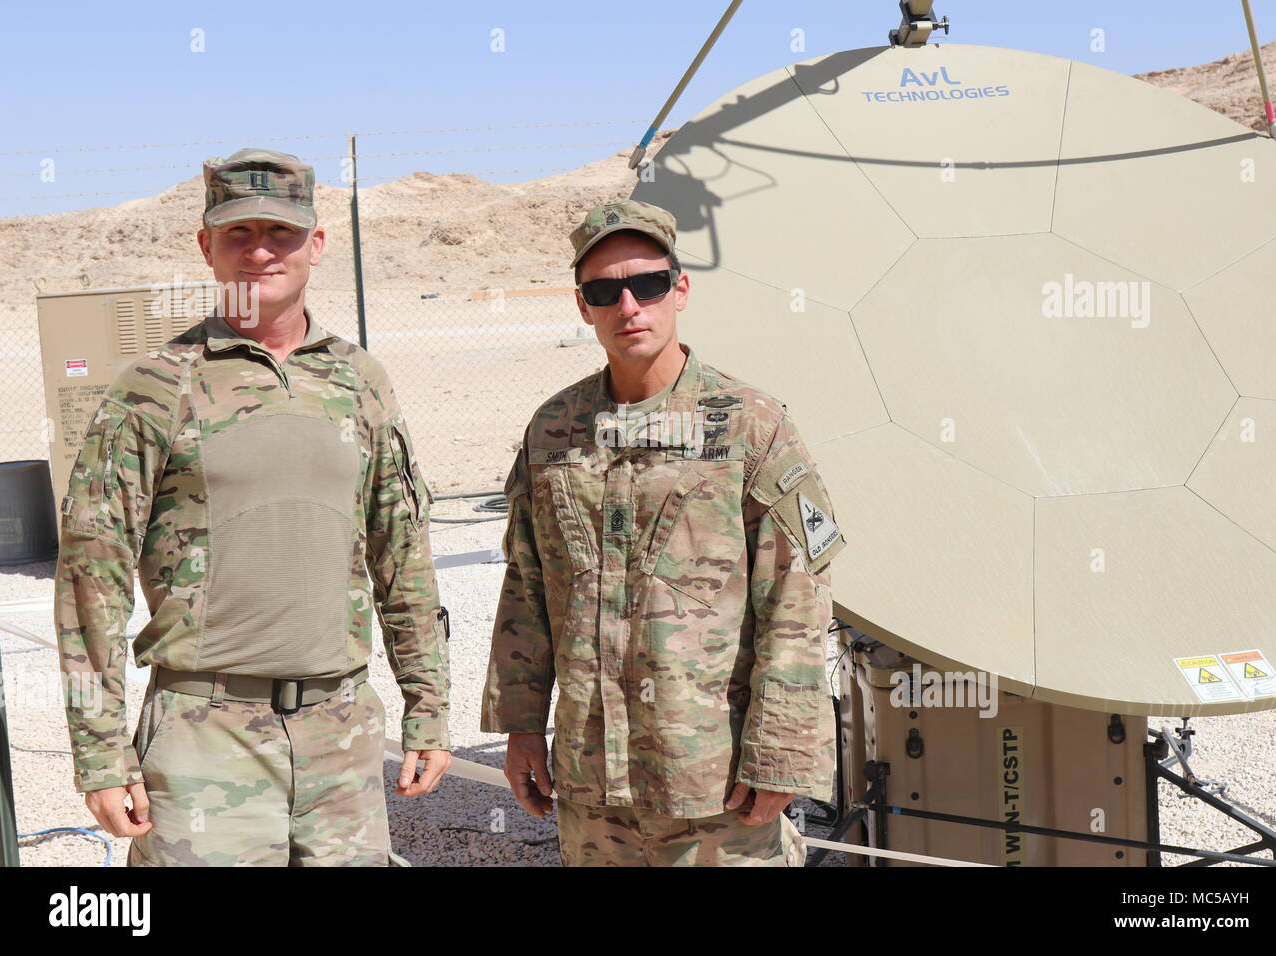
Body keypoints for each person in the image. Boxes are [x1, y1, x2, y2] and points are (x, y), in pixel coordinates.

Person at [54, 148, 451, 866]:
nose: (260, 251)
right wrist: (101, 755)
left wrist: (428, 708)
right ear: (206, 247)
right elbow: (92, 577)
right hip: (204, 739)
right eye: (238, 232)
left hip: (342, 734)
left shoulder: (360, 381)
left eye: (281, 232)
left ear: (316, 244)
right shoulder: (154, 387)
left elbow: (402, 552)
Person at [481, 199, 845, 866]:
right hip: (593, 785)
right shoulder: (554, 431)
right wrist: (521, 725)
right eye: (604, 292)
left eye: (648, 284)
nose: (628, 307)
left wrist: (782, 749)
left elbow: (795, 597)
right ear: (583, 306)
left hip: (714, 783)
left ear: (680, 289)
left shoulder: (749, 424)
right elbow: (525, 591)